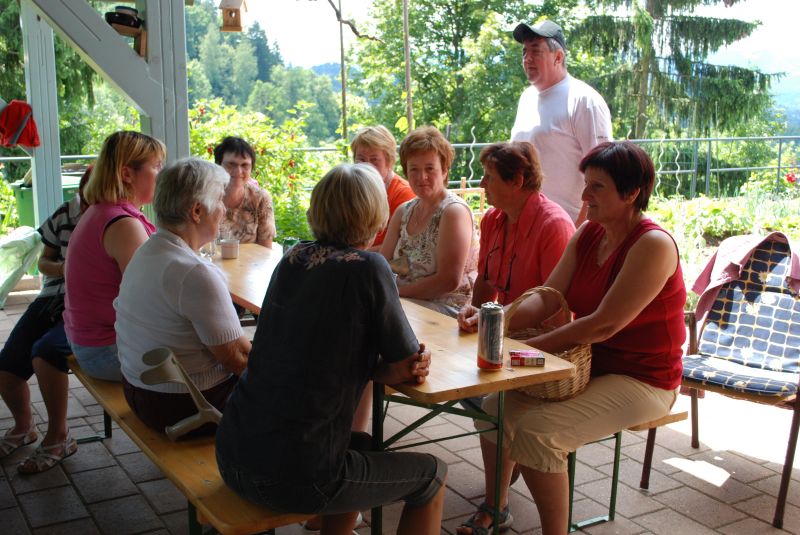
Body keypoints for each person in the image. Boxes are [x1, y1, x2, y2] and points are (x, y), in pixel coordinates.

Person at [457, 141, 686, 535]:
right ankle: (497, 507)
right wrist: (495, 320)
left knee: (539, 433)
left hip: (644, 379)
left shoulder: (653, 244)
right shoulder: (589, 234)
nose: (584, 196)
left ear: (631, 193)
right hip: (586, 366)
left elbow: (603, 325)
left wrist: (526, 347)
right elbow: (547, 298)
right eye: (586, 184)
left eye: (597, 187)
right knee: (495, 405)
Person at [216, 163, 447, 535]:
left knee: (362, 446)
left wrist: (378, 365)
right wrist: (409, 363)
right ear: (375, 215)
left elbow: (324, 353)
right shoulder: (368, 267)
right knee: (432, 474)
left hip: (233, 453)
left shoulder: (293, 258)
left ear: (317, 209)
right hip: (295, 476)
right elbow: (406, 364)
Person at [115, 158, 251, 434]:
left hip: (139, 392)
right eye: (219, 200)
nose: (224, 209)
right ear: (197, 211)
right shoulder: (193, 272)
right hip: (183, 406)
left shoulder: (148, 250)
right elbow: (238, 359)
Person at [0, 167, 90, 474]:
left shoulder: (119, 220)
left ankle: (58, 436)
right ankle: (24, 426)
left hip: (88, 303)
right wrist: (64, 269)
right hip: (52, 296)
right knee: (6, 367)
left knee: (46, 354)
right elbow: (43, 262)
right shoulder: (66, 213)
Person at [64, 131, 165, 384]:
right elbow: (147, 300)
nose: (162, 174)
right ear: (127, 174)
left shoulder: (103, 211)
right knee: (212, 364)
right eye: (156, 166)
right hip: (107, 351)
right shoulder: (123, 224)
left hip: (90, 343)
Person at [510, 19, 612, 223]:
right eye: (524, 52)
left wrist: (579, 233)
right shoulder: (527, 98)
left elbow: (605, 174)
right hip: (524, 224)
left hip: (566, 226)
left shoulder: (584, 101)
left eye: (536, 51)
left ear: (558, 57)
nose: (527, 58)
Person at [380, 126, 478, 317]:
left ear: (444, 170)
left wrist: (396, 293)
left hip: (445, 311)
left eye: (430, 169)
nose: (421, 177)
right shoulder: (403, 212)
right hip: (402, 304)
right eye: (414, 169)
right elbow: (383, 265)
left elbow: (448, 281)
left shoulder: (453, 212)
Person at [351, 125, 415, 250]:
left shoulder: (404, 194)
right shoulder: (351, 189)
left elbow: (402, 246)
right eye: (361, 160)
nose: (367, 166)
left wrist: (351, 255)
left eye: (374, 160)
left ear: (389, 161)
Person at [213, 136, 276, 248]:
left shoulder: (261, 199)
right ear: (218, 165)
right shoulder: (202, 196)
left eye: (244, 165)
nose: (238, 171)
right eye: (231, 164)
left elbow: (265, 249)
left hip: (252, 260)